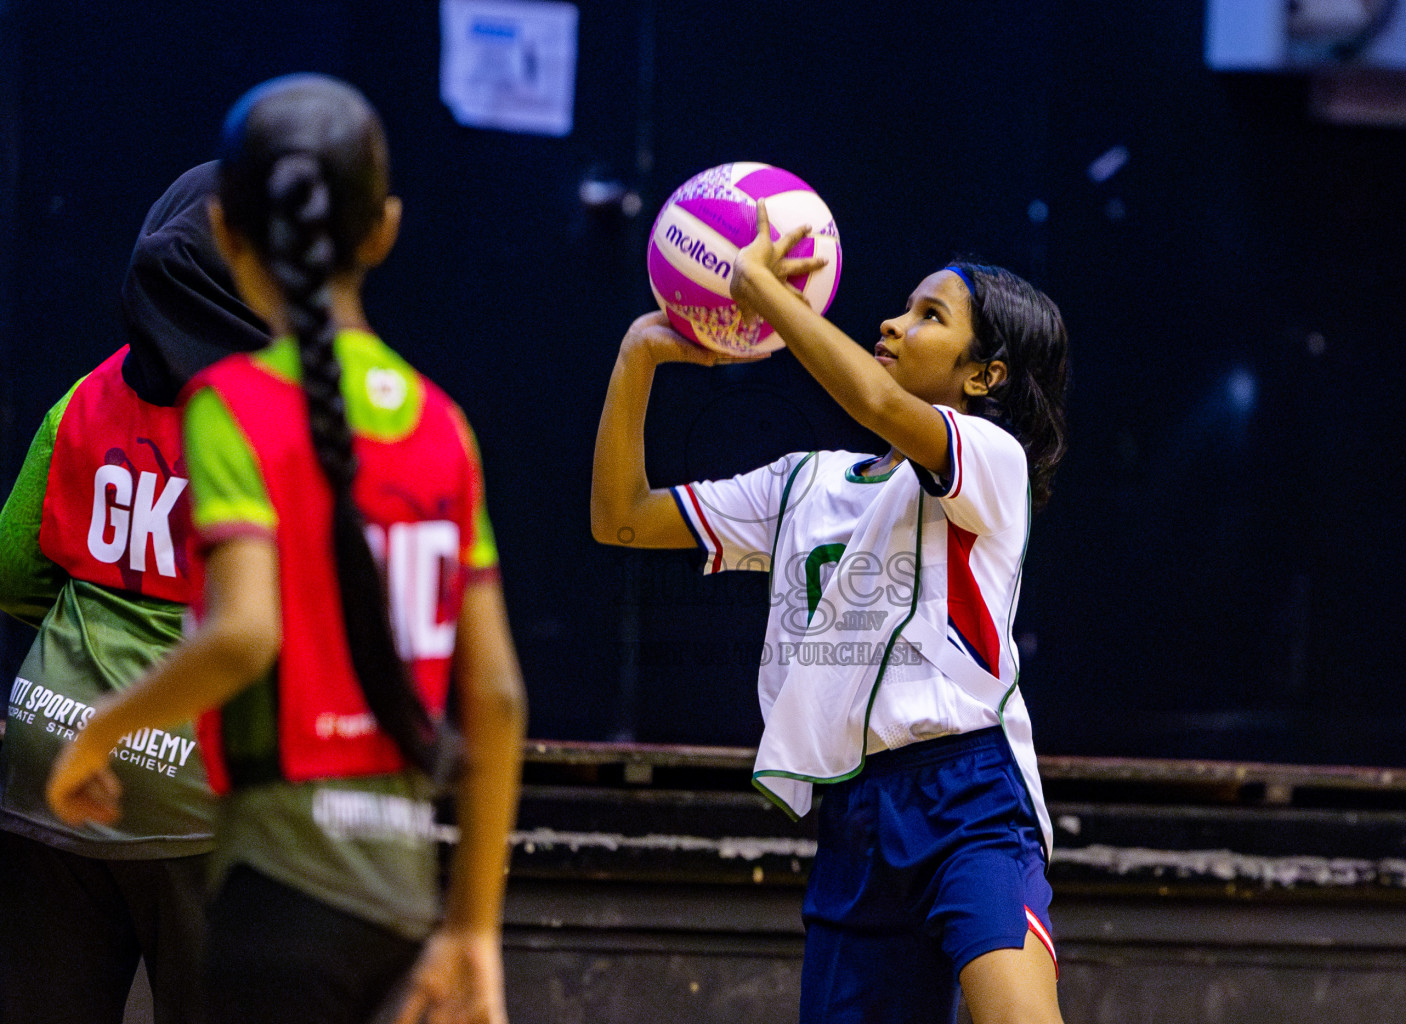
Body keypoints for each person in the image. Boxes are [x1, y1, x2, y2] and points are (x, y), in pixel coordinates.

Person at [46, 74, 526, 1024]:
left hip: (276, 897)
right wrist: (473, 929)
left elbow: (243, 636)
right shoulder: (443, 425)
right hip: (405, 896)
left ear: (228, 233)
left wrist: (97, 731)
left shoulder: (236, 406)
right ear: (382, 231)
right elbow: (499, 698)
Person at [592, 203, 1070, 1024]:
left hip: (969, 796)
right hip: (855, 810)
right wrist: (639, 357)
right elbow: (622, 515)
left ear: (985, 375)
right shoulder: (801, 484)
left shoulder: (994, 461)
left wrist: (761, 290)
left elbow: (880, 405)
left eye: (929, 316)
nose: (893, 320)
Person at [0, 161, 268, 1024]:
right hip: (199, 794)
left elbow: (12, 572)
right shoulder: (283, 429)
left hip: (44, 756)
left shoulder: (83, 397)